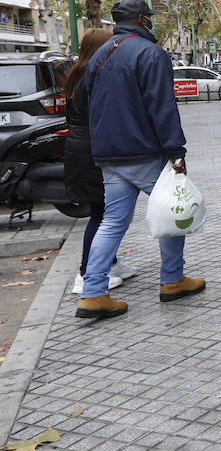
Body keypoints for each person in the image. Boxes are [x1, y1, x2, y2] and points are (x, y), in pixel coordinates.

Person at [77, 0, 205, 320]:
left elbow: (91, 105)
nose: (151, 22)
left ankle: (93, 293)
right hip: (144, 152)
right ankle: (173, 279)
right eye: (149, 17)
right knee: (174, 210)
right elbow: (162, 106)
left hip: (109, 155)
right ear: (142, 20)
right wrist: (176, 151)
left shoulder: (100, 56)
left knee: (112, 222)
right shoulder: (151, 54)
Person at [62, 28, 132, 295]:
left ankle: (110, 263)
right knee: (102, 214)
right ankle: (86, 274)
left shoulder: (77, 75)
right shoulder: (93, 77)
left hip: (81, 150)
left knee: (105, 212)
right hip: (90, 152)